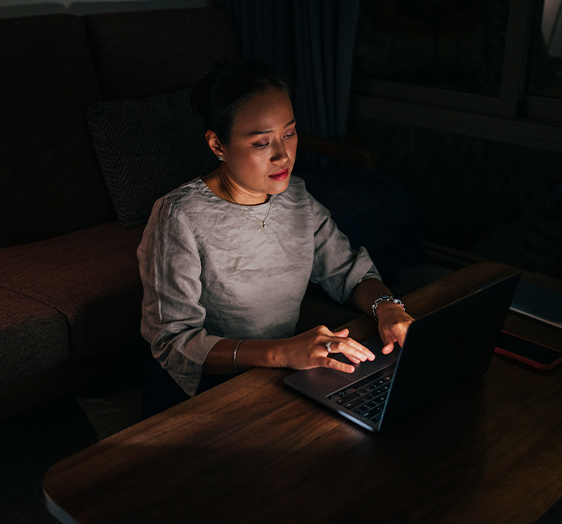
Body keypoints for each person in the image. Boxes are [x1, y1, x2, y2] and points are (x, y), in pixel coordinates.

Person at [138, 60, 414, 416]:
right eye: (262, 142)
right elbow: (174, 344)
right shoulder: (179, 217)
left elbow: (350, 272)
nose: (283, 155)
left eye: (289, 133)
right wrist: (282, 351)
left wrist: (387, 307)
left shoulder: (297, 198)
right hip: (204, 391)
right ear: (217, 144)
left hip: (280, 370)